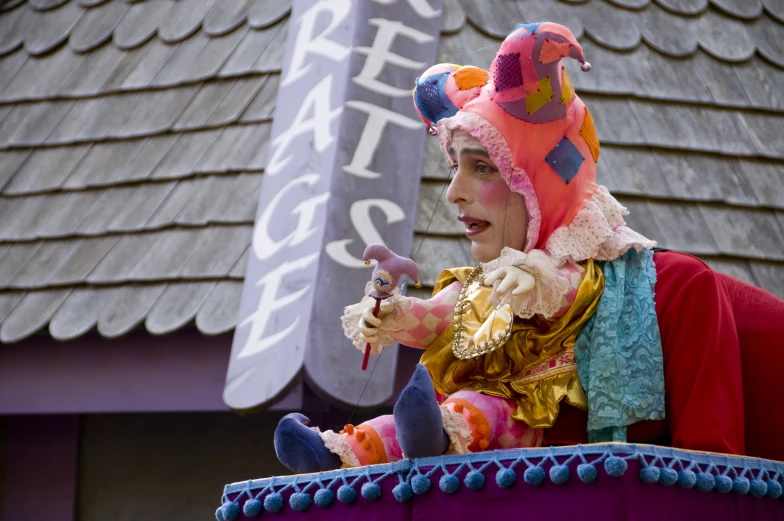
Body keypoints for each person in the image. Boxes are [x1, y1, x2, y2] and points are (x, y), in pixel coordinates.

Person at [273, 21, 784, 474]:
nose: (453, 193)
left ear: (541, 177)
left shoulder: (673, 289)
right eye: (454, 167)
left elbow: (712, 488)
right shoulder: (480, 299)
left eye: (482, 167)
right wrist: (396, 314)